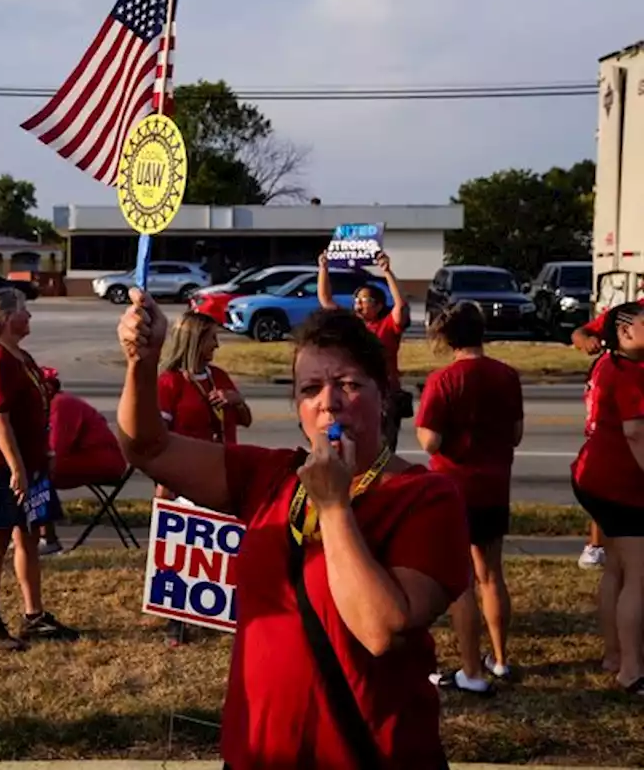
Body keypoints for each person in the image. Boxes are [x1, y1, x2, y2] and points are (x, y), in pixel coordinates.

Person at [117, 290, 469, 769]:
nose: (329, 403)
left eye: (348, 384)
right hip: (258, 753)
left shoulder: (425, 497)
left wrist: (334, 506)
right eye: (310, 390)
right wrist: (143, 362)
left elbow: (380, 629)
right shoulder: (270, 475)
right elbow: (148, 449)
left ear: (384, 394)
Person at [0, 287, 79, 650]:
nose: (30, 316)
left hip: (27, 463)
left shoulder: (19, 355)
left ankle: (34, 615)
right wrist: (18, 468)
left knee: (28, 536)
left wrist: (41, 454)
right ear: (7, 319)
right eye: (24, 310)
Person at [416, 302, 524, 694]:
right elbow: (515, 433)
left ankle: (470, 672)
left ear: (447, 337)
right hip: (495, 486)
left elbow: (431, 441)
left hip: (454, 489)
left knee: (461, 581)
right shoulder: (507, 375)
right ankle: (499, 659)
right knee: (492, 574)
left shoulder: (443, 381)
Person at [155, 310, 251, 647]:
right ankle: (176, 621)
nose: (217, 346)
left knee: (222, 544)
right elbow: (159, 438)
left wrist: (236, 401)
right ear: (195, 340)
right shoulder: (169, 382)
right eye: (212, 339)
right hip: (187, 475)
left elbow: (246, 420)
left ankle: (218, 610)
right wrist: (164, 482)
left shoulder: (219, 376)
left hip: (226, 469)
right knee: (185, 549)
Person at [571, 301, 644, 693]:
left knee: (616, 567)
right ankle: (632, 670)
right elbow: (635, 434)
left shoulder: (608, 365)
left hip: (592, 476)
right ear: (626, 334)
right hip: (618, 483)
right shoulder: (631, 372)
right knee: (639, 575)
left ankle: (614, 653)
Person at [317, 250, 410, 450]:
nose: (358, 303)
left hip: (384, 394)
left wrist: (387, 272)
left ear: (378, 305)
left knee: (383, 446)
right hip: (352, 394)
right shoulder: (351, 324)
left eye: (364, 300)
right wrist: (323, 268)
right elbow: (326, 300)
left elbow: (401, 306)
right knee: (347, 441)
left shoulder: (387, 326)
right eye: (356, 300)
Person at [35, 366, 128, 554]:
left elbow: (57, 447)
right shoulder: (52, 405)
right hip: (87, 457)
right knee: (34, 472)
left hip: (104, 461)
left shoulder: (60, 405)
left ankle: (48, 538)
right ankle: (37, 533)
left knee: (37, 474)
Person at [571, 307, 625, 569]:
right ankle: (596, 546)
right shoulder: (631, 313)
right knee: (609, 479)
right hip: (615, 423)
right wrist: (587, 340)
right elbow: (581, 333)